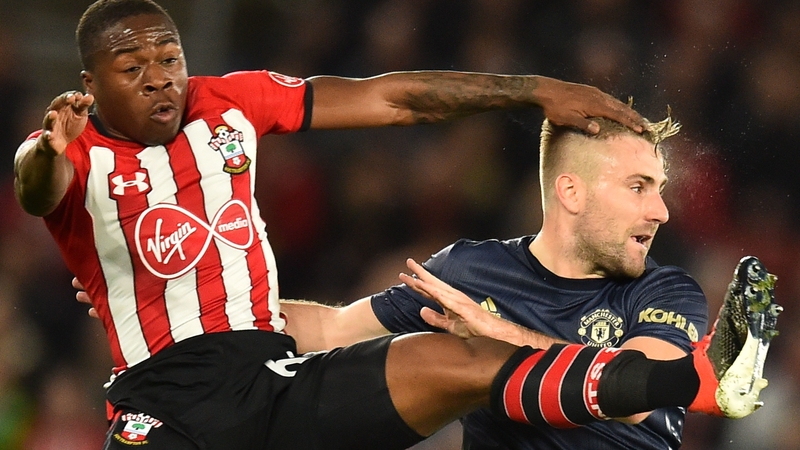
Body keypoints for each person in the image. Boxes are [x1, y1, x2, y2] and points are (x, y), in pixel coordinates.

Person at [15, 1, 770, 449]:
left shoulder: (228, 103)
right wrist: (53, 162)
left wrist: (534, 90)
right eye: (131, 65)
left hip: (268, 379)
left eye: (168, 57)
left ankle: (704, 378)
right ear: (90, 83)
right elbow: (35, 187)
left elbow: (392, 97)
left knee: (459, 362)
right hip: (163, 401)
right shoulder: (65, 148)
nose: (158, 77)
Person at [274, 116, 781, 448]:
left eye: (659, 190)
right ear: (571, 192)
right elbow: (331, 329)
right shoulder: (469, 273)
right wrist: (211, 309)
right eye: (638, 188)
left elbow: (639, 394)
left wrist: (501, 334)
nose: (662, 211)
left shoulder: (665, 290)